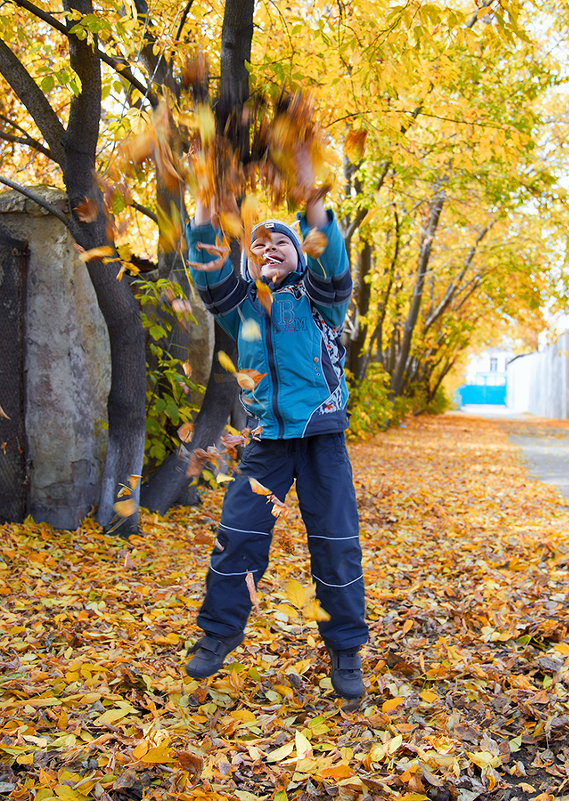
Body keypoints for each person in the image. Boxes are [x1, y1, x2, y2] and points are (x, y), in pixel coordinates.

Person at [184, 152, 369, 699]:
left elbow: (333, 262)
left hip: (322, 441)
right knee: (238, 534)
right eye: (258, 245)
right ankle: (217, 636)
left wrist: (312, 201)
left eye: (280, 242)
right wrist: (206, 207)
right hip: (266, 444)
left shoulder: (321, 302)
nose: (268, 249)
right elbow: (207, 264)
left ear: (300, 254)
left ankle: (345, 651)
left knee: (335, 542)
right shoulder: (240, 308)